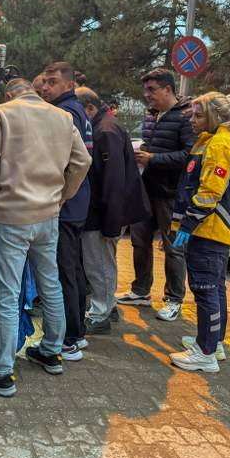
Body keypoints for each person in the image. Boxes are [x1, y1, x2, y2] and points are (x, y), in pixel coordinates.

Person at [0, 79, 90, 396]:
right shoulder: (63, 117)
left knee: (7, 294)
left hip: (12, 216)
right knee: (50, 283)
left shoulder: (2, 114)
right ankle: (52, 351)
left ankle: (2, 371)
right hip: (49, 214)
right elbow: (83, 161)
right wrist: (63, 195)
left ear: (10, 94)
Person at [169, 92, 230, 373]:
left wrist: (189, 225)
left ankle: (205, 352)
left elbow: (209, 192)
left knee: (205, 290)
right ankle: (213, 341)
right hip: (213, 229)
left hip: (208, 230)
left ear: (214, 117)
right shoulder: (216, 141)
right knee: (215, 288)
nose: (192, 120)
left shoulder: (219, 144)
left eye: (198, 115)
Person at [118, 68, 195, 322]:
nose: (146, 95)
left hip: (170, 193)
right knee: (139, 241)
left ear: (168, 89)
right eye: (145, 90)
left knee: (173, 248)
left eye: (152, 90)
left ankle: (174, 299)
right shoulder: (152, 117)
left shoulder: (185, 118)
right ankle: (141, 289)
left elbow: (190, 155)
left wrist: (155, 159)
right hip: (145, 189)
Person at [75, 88, 151, 334]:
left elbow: (113, 182)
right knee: (102, 261)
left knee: (99, 263)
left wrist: (110, 223)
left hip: (103, 213)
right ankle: (107, 306)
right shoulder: (107, 126)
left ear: (89, 108)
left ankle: (101, 312)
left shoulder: (104, 131)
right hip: (107, 211)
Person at [38, 61, 93, 360]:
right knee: (72, 269)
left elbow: (67, 162)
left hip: (67, 203)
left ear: (69, 85)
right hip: (77, 202)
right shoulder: (77, 110)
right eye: (45, 81)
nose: (46, 87)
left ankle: (69, 338)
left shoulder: (65, 113)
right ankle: (77, 332)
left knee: (64, 271)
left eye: (53, 81)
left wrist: (59, 195)